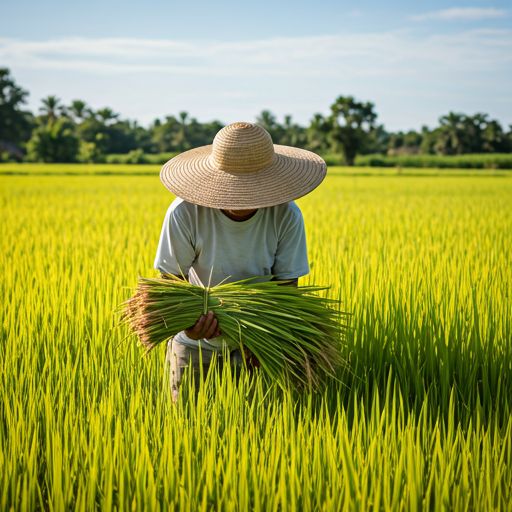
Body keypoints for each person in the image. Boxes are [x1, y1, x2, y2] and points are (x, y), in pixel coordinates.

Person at [153, 121, 326, 401]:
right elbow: (170, 284)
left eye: (252, 189)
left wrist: (267, 339)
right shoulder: (184, 212)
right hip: (195, 346)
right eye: (235, 188)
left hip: (260, 345)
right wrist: (189, 325)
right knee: (186, 433)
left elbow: (287, 287)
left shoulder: (287, 215)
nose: (243, 198)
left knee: (262, 432)